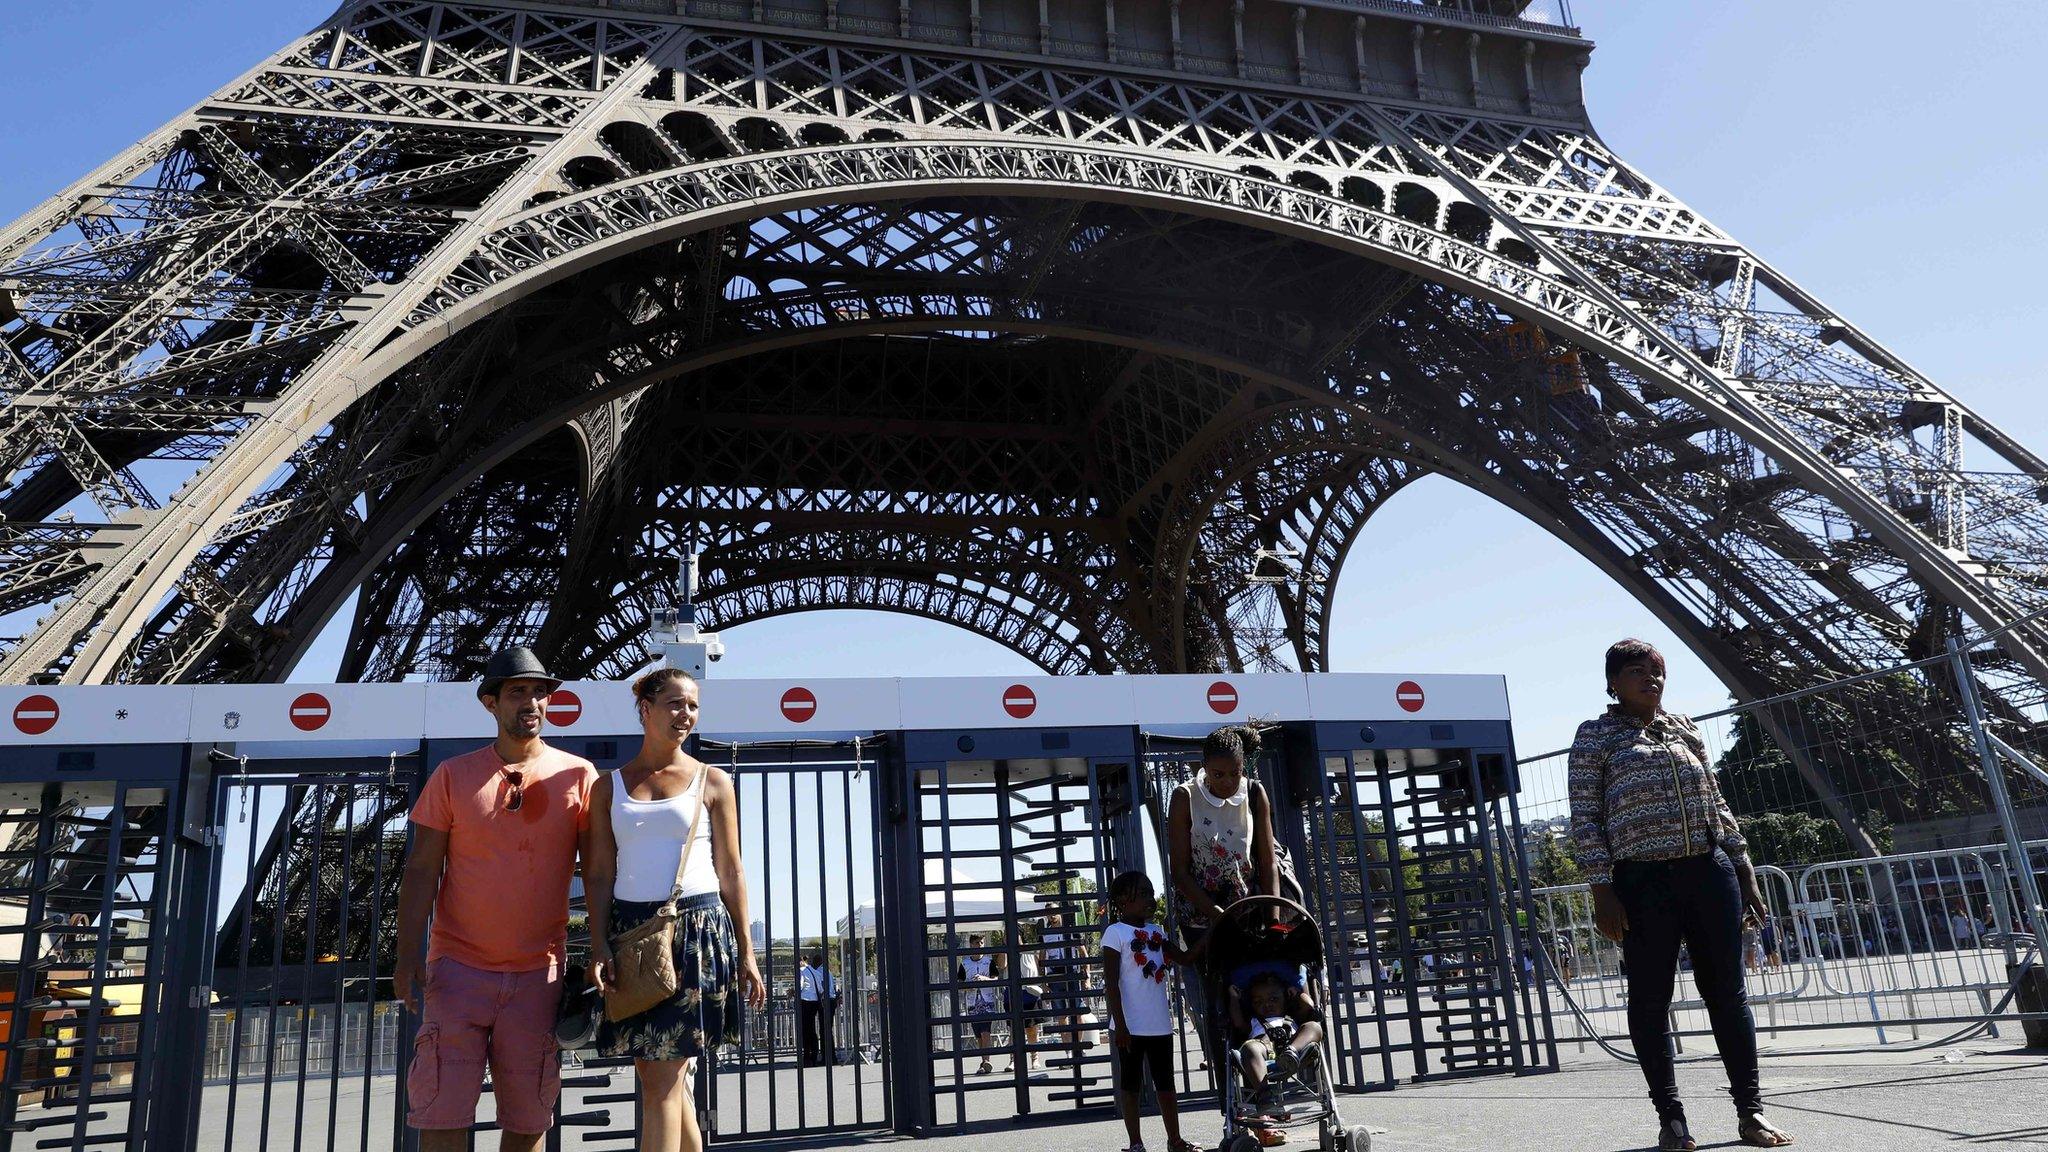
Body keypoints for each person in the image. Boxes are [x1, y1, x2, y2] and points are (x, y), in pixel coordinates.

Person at [1569, 638, 1792, 1151]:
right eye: (1637, 670)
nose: (1651, 678)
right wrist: (1602, 887)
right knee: (1650, 999)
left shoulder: (1684, 728)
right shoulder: (1595, 736)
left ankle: (1751, 1111)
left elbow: (1717, 801)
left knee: (1728, 994)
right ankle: (1671, 1118)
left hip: (1708, 872)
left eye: (1658, 671)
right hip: (1641, 882)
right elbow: (1585, 817)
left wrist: (1744, 866)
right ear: (1612, 682)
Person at [394, 647, 598, 1152]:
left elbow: (596, 871)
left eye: (539, 692)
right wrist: (405, 956)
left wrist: (601, 947)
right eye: (517, 692)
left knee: (529, 1119)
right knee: (440, 1114)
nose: (531, 702)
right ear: (491, 703)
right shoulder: (452, 775)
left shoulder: (579, 776)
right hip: (458, 969)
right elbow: (421, 869)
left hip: (538, 973)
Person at [585, 668, 768, 1152]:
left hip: (698, 931)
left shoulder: (714, 781)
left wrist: (747, 952)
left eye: (692, 705)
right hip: (631, 934)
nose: (685, 714)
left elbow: (732, 871)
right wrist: (598, 942)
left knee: (662, 1075)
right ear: (645, 708)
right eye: (674, 703)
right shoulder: (607, 787)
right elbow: (599, 875)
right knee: (661, 1072)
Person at [1100, 870, 1199, 1152]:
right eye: (1142, 893)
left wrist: (1214, 925)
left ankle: (1175, 1140)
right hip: (1129, 1026)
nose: (1150, 899)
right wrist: (1120, 1025)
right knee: (1131, 1086)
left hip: (1160, 1026)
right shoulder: (1114, 933)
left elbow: (1184, 958)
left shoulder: (1157, 931)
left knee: (1166, 1085)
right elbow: (1111, 984)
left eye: (1151, 893)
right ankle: (1136, 1143)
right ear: (1122, 899)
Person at [1228, 969, 1325, 1126]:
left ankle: (1291, 1052)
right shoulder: (1254, 1020)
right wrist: (1234, 998)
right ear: (1252, 1005)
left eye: (1273, 999)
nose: (1267, 1004)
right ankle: (1264, 1093)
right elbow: (1238, 1023)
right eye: (1259, 1002)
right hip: (1264, 1049)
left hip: (1294, 1047)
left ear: (1285, 998)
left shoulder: (1291, 1014)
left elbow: (1310, 1006)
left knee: (1313, 1027)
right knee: (1249, 1048)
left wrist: (1297, 992)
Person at [957, 934, 997, 1075]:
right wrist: (969, 986)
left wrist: (984, 979)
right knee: (979, 1035)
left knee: (986, 1031)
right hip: (972, 1002)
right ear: (971, 944)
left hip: (987, 1001)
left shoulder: (989, 961)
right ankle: (983, 1061)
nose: (979, 945)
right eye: (976, 942)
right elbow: (959, 984)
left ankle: (986, 1060)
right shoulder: (964, 964)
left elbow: (996, 979)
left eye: (981, 942)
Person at [798, 952, 838, 1067]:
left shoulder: (820, 971)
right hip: (830, 1000)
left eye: (813, 962)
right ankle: (830, 1056)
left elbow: (821, 988)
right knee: (826, 1030)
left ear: (816, 962)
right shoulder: (826, 971)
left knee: (824, 1030)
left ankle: (827, 1057)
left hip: (826, 1001)